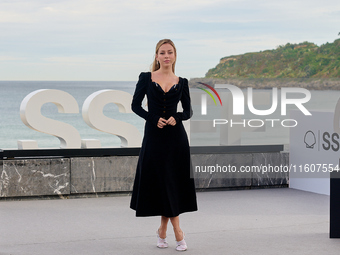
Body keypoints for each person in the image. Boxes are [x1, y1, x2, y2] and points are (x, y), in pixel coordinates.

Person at [130, 39, 198, 251]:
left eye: (170, 52)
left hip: (176, 139)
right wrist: (153, 118)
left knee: (172, 183)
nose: (166, 56)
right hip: (154, 137)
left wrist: (177, 117)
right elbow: (135, 105)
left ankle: (165, 230)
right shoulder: (146, 78)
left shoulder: (182, 82)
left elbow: (188, 111)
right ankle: (177, 232)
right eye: (162, 52)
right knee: (162, 183)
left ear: (175, 56)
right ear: (157, 56)